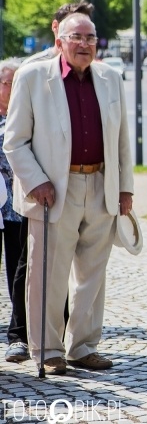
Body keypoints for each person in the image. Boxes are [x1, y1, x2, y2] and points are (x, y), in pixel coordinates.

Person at [3, 13, 134, 375]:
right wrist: (36, 181)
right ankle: (46, 349)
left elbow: (122, 140)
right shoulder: (32, 77)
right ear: (59, 40)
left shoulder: (111, 78)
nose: (84, 44)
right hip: (53, 190)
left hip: (100, 183)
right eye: (76, 37)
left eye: (90, 37)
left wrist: (125, 188)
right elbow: (15, 141)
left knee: (93, 274)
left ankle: (83, 346)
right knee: (48, 274)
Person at [0, 58, 29, 363]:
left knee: (23, 273)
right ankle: (16, 334)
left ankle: (25, 331)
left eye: (15, 82)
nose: (10, 88)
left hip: (23, 209)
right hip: (3, 210)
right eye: (6, 82)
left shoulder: (26, 116)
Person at [22, 0, 94, 66]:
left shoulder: (97, 72)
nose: (83, 44)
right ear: (55, 26)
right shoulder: (33, 67)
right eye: (75, 36)